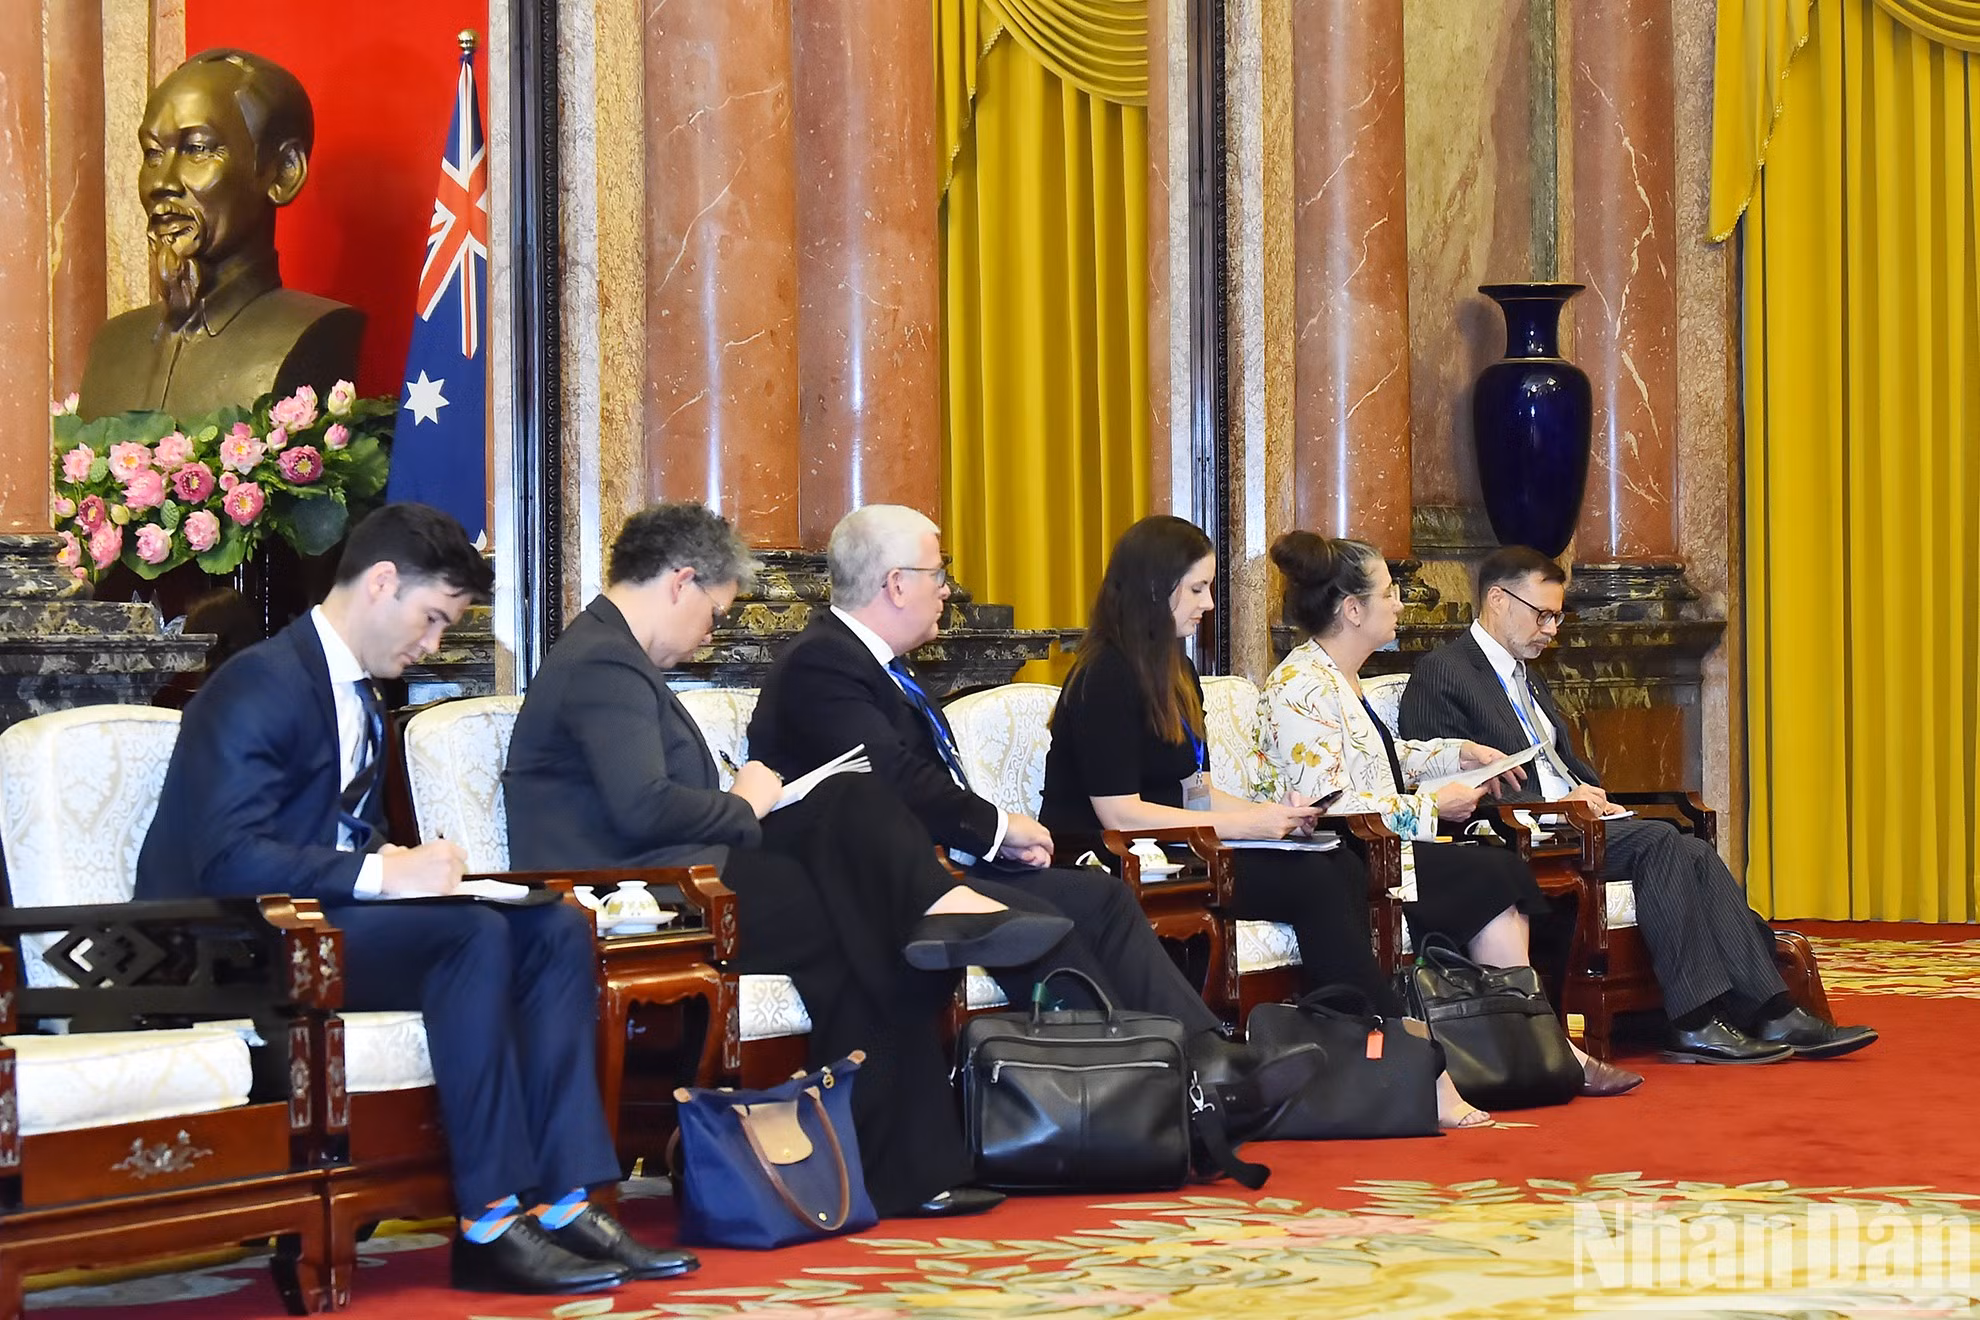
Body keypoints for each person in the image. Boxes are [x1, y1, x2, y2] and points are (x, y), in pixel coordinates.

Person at [136, 504, 683, 1296]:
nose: (430, 645)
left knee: (555, 928)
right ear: (381, 583)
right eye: (430, 620)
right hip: (231, 944)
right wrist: (385, 876)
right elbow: (229, 858)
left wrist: (400, 870)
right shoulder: (258, 685)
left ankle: (568, 1201)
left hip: (318, 927)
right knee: (468, 938)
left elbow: (330, 841)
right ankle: (490, 1222)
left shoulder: (359, 696)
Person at [503, 502, 1076, 1221]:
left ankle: (903, 1150)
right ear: (681, 582)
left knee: (852, 812)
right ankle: (902, 1162)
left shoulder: (609, 654)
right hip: (636, 892)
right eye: (714, 613)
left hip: (675, 871)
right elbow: (641, 809)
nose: (710, 633)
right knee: (868, 917)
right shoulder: (603, 663)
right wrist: (745, 802)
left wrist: (750, 805)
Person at [746, 504, 1325, 1137]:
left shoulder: (884, 668)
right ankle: (1130, 1103)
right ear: (895, 584)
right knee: (1044, 925)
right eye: (938, 574)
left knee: (1099, 898)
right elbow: (892, 776)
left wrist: (993, 840)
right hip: (876, 891)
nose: (946, 589)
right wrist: (997, 829)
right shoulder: (821, 663)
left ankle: (1207, 1062)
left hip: (944, 867)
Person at [1040, 514, 1554, 1125]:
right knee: (1318, 879)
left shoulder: (1174, 672)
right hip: (1109, 853)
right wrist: (1247, 828)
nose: (1208, 604)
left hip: (1180, 844)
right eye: (1198, 589)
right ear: (1157, 588)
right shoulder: (1104, 675)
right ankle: (1404, 1054)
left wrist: (1272, 816)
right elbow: (1117, 811)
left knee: (1331, 865)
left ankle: (1359, 1053)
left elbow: (1197, 791)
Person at [1398, 544, 1877, 1063]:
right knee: (1660, 842)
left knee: (1690, 848)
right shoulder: (1444, 672)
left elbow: (1558, 761)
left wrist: (1589, 791)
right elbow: (1453, 782)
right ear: (1497, 599)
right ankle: (1695, 1023)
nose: (1552, 629)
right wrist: (1559, 804)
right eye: (1543, 614)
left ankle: (1771, 1009)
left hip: (1571, 823)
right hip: (1519, 835)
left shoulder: (1523, 674)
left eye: (1558, 616)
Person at [1254, 531, 1646, 1097]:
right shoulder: (1299, 688)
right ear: (1353, 609)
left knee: (1499, 871)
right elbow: (1338, 808)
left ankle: (1535, 1041)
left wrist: (1457, 753)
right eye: (1390, 593)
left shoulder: (1337, 677)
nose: (1400, 604)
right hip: (1351, 861)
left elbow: (1381, 760)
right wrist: (1435, 804)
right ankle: (1542, 1044)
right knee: (1492, 873)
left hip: (1383, 848)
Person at [80, 48, 363, 419]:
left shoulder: (316, 333)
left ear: (283, 173)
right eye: (152, 154)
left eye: (197, 149)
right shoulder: (112, 345)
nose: (160, 183)